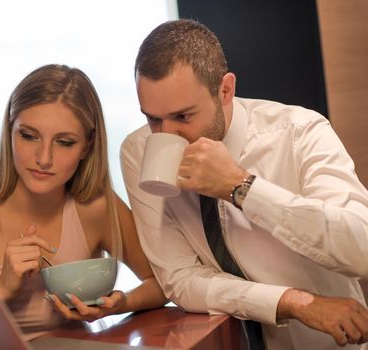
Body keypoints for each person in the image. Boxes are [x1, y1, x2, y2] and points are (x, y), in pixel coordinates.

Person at [121, 19, 368, 350]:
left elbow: (361, 249)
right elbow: (180, 280)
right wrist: (290, 301)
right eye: (152, 118)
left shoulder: (300, 132)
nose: (165, 135)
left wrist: (243, 188)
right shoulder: (137, 152)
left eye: (182, 117)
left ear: (225, 90)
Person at [0, 64, 167, 349]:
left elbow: (165, 282)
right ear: (9, 131)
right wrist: (1, 290)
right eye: (29, 136)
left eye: (65, 142)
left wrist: (120, 303)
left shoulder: (96, 207)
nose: (44, 158)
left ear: (87, 146)